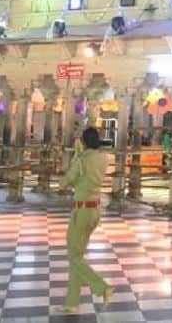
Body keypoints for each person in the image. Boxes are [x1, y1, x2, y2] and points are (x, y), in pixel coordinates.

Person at [55, 127, 112, 316]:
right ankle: (72, 303)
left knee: (73, 256)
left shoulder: (82, 160)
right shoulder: (103, 158)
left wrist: (75, 157)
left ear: (84, 141)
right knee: (77, 256)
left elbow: (66, 181)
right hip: (94, 211)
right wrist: (81, 153)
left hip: (82, 211)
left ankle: (101, 286)